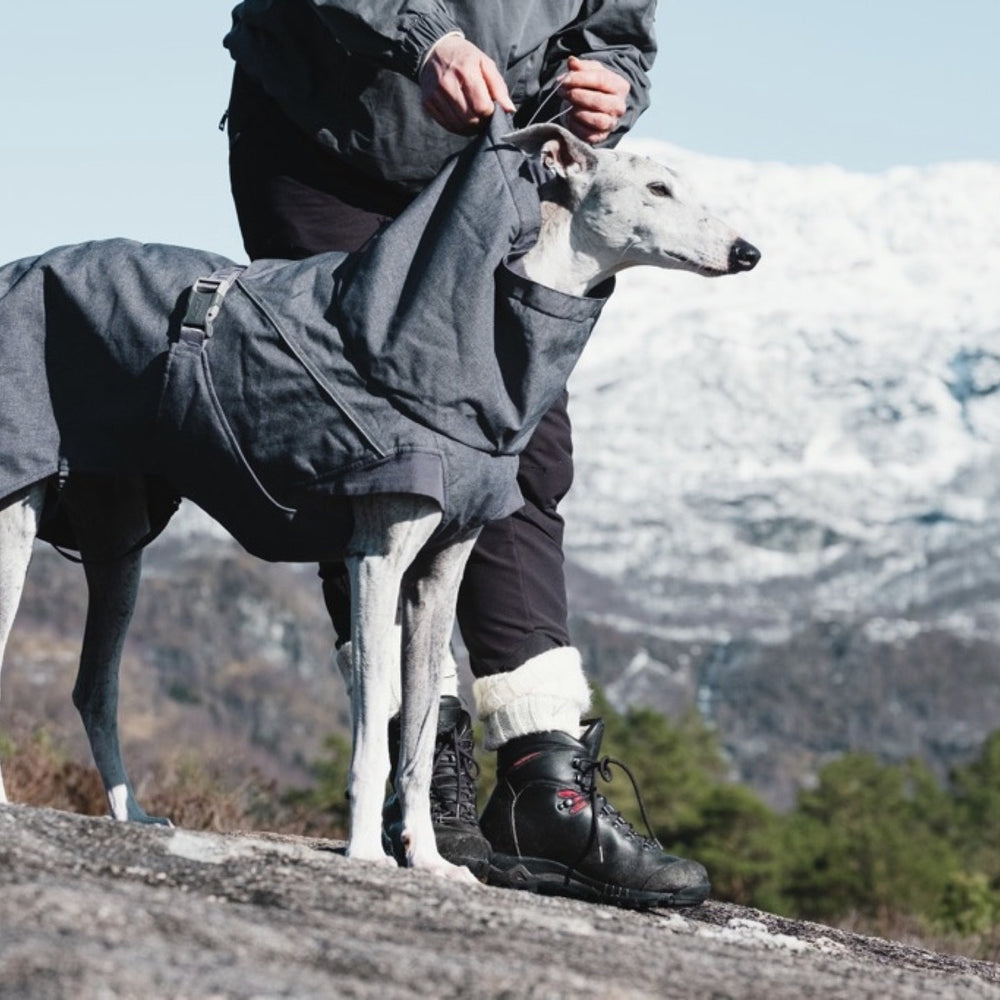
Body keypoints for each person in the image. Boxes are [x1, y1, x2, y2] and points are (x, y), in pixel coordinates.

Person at [222, 0, 710, 906]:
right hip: (327, 143)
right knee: (381, 449)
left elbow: (616, 32)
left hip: (504, 163)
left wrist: (613, 86)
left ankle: (543, 781)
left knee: (521, 450)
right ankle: (422, 769)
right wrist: (425, 38)